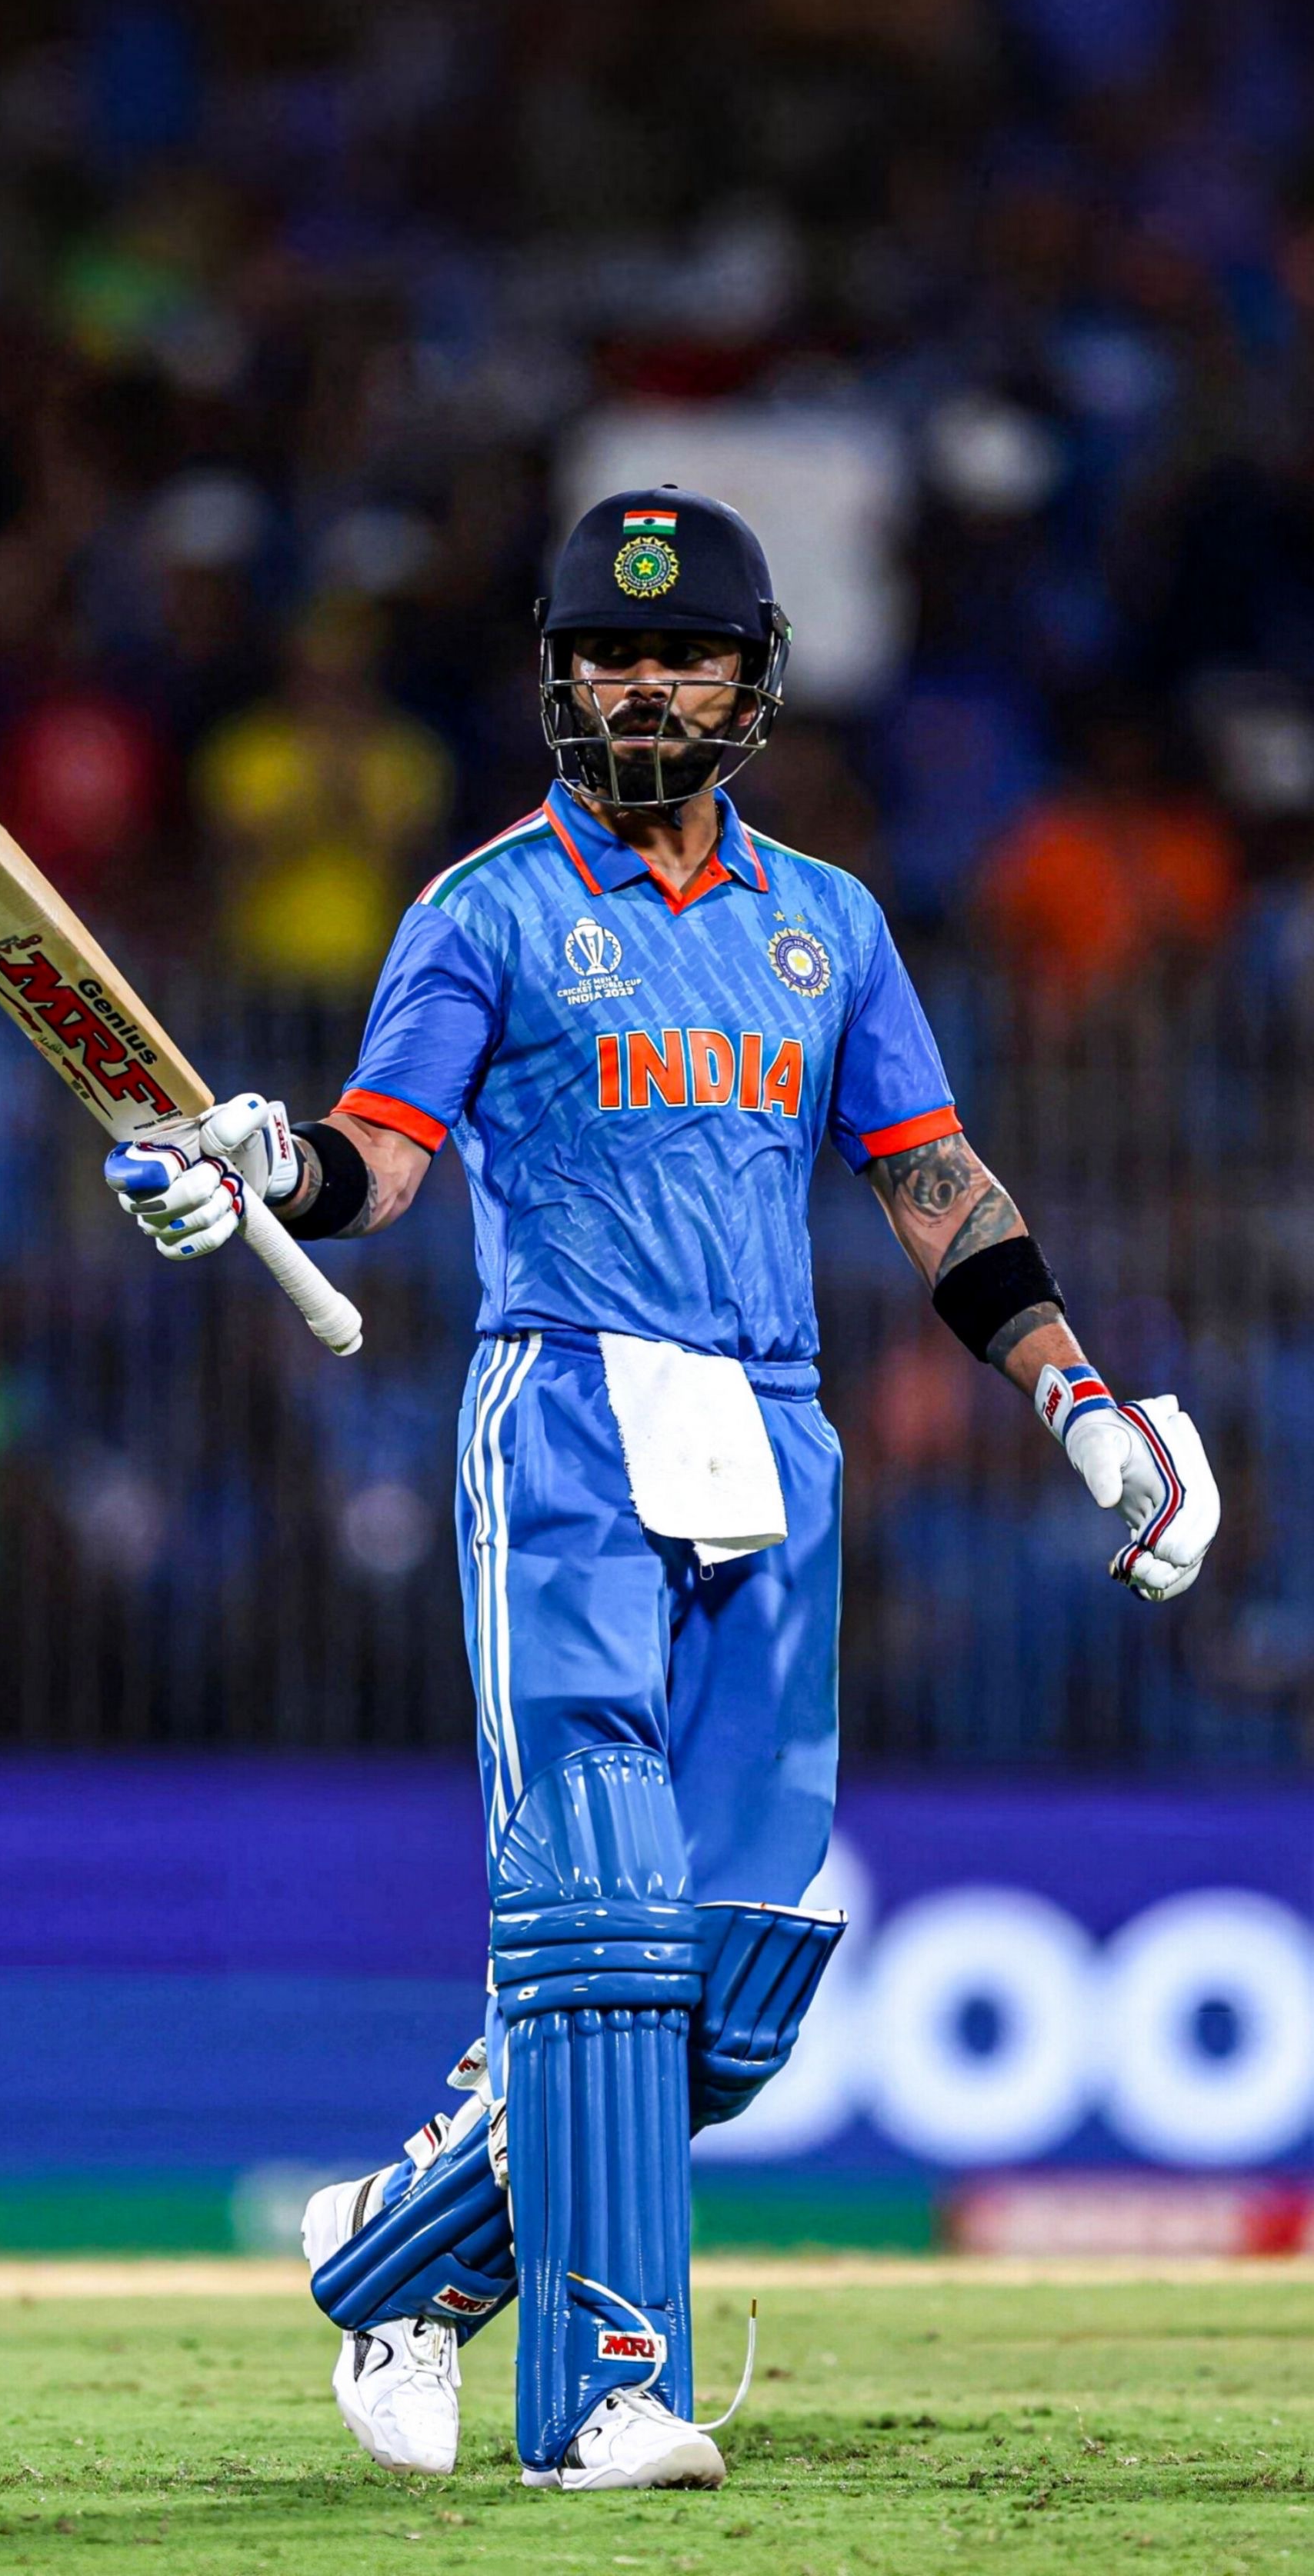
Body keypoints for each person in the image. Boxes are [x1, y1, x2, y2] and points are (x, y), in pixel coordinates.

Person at [104, 489, 1220, 2495]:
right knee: (604, 1920)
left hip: (773, 1439)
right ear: (559, 679)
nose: (642, 686)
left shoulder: (833, 926)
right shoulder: (482, 913)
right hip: (568, 1417)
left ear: (750, 682)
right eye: (608, 655)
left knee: (739, 1981)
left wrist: (1078, 1405)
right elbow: (378, 1159)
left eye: (682, 655)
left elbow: (936, 1187)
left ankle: (404, 2251)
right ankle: (604, 2397)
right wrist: (260, 1172)